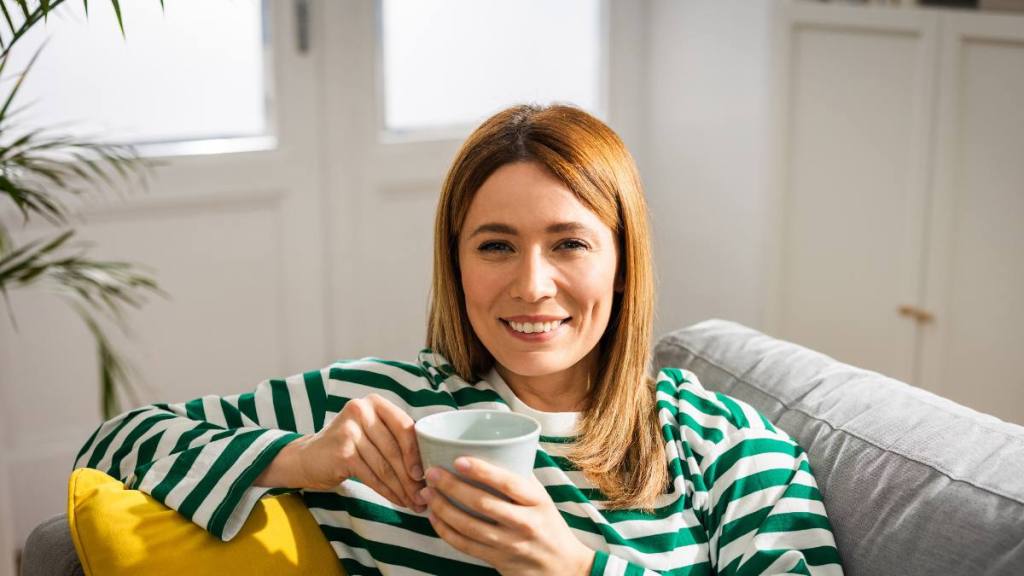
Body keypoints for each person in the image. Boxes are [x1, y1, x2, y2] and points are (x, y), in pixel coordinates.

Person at [74, 104, 844, 575]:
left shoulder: (729, 447)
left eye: (569, 244)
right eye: (496, 245)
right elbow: (114, 446)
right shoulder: (381, 408)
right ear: (457, 264)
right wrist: (302, 461)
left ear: (622, 265)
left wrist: (572, 568)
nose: (531, 285)